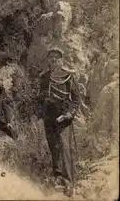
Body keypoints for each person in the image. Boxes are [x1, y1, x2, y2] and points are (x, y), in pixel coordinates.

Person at [36, 45, 80, 197]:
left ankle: (68, 183)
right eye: (51, 57)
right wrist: (41, 109)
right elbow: (40, 96)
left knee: (64, 148)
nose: (53, 59)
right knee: (53, 147)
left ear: (61, 59)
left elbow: (75, 99)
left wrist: (68, 114)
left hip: (62, 117)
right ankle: (57, 178)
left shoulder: (68, 75)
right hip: (48, 116)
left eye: (57, 57)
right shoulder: (44, 76)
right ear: (48, 59)